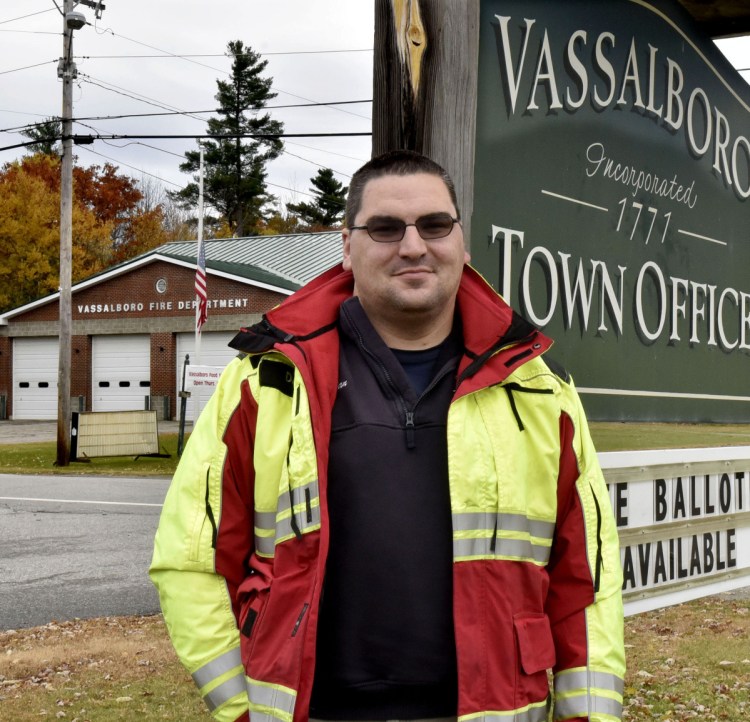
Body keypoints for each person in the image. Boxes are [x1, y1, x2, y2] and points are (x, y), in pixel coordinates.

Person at [150, 150, 625, 722]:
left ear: (461, 242)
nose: (413, 245)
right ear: (347, 248)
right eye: (384, 228)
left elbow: (587, 584)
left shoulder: (540, 392)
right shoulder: (266, 382)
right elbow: (190, 559)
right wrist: (241, 708)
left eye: (434, 225)